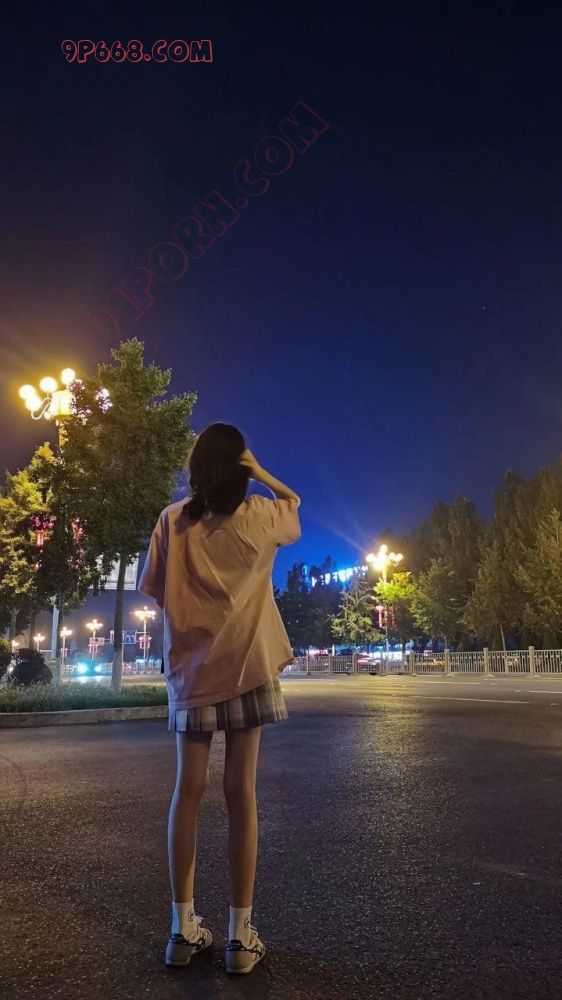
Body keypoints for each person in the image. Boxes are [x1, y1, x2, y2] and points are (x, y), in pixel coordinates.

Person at [139, 423, 301, 975]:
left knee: (187, 793)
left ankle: (181, 929)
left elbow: (157, 592)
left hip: (192, 674)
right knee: (241, 795)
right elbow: (295, 506)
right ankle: (239, 937)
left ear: (195, 466)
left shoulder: (172, 521)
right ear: (240, 466)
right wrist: (260, 472)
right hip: (249, 668)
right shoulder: (261, 516)